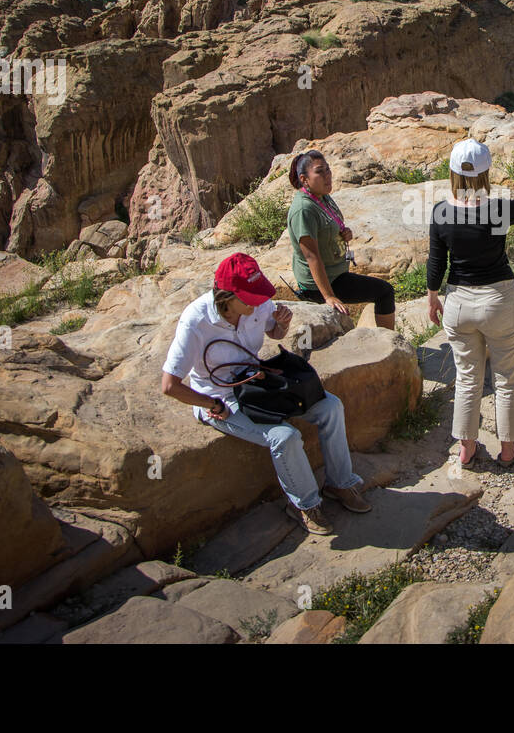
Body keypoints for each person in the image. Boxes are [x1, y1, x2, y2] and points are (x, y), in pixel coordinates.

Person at [161, 252, 371, 537]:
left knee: (330, 407)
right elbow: (170, 385)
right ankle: (304, 505)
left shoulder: (258, 304)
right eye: (250, 297)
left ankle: (340, 483)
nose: (259, 302)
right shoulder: (196, 321)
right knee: (284, 437)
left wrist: (282, 325)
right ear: (226, 297)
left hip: (257, 384)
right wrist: (211, 404)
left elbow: (274, 334)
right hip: (221, 396)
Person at [426, 139, 514, 468]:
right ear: (487, 173)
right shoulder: (498, 209)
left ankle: (466, 450)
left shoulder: (441, 212)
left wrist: (432, 297)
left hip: (458, 303)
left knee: (468, 378)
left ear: (452, 172)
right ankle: (509, 450)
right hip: (499, 300)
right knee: (506, 379)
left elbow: (436, 261)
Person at [287, 150, 396, 329]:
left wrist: (344, 232)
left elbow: (331, 224)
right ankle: (389, 343)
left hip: (335, 272)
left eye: (328, 170)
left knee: (382, 291)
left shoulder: (322, 197)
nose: (327, 175)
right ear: (304, 179)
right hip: (321, 284)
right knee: (384, 292)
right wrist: (328, 296)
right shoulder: (303, 210)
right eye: (320, 171)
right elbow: (311, 257)